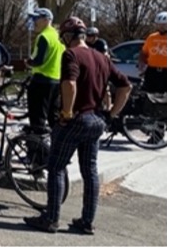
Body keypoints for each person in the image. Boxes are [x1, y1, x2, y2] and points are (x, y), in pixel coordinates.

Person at [23, 17, 131, 234]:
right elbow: (125, 86)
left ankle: (51, 219)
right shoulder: (101, 57)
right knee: (89, 171)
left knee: (55, 167)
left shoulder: (71, 54)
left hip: (76, 120)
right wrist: (112, 114)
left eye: (64, 36)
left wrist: (66, 113)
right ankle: (86, 222)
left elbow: (70, 83)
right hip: (97, 121)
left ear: (68, 36)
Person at [26, 8, 65, 133]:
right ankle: (57, 144)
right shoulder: (57, 35)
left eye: (36, 19)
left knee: (37, 117)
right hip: (56, 81)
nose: (34, 22)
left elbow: (39, 60)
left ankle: (37, 149)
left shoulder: (44, 37)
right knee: (53, 116)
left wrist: (29, 62)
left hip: (41, 81)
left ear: (46, 20)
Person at [138, 11, 167, 94]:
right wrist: (141, 63)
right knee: (149, 94)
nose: (161, 27)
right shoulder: (151, 37)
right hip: (152, 71)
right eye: (159, 25)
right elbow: (144, 52)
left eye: (163, 25)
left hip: (166, 71)